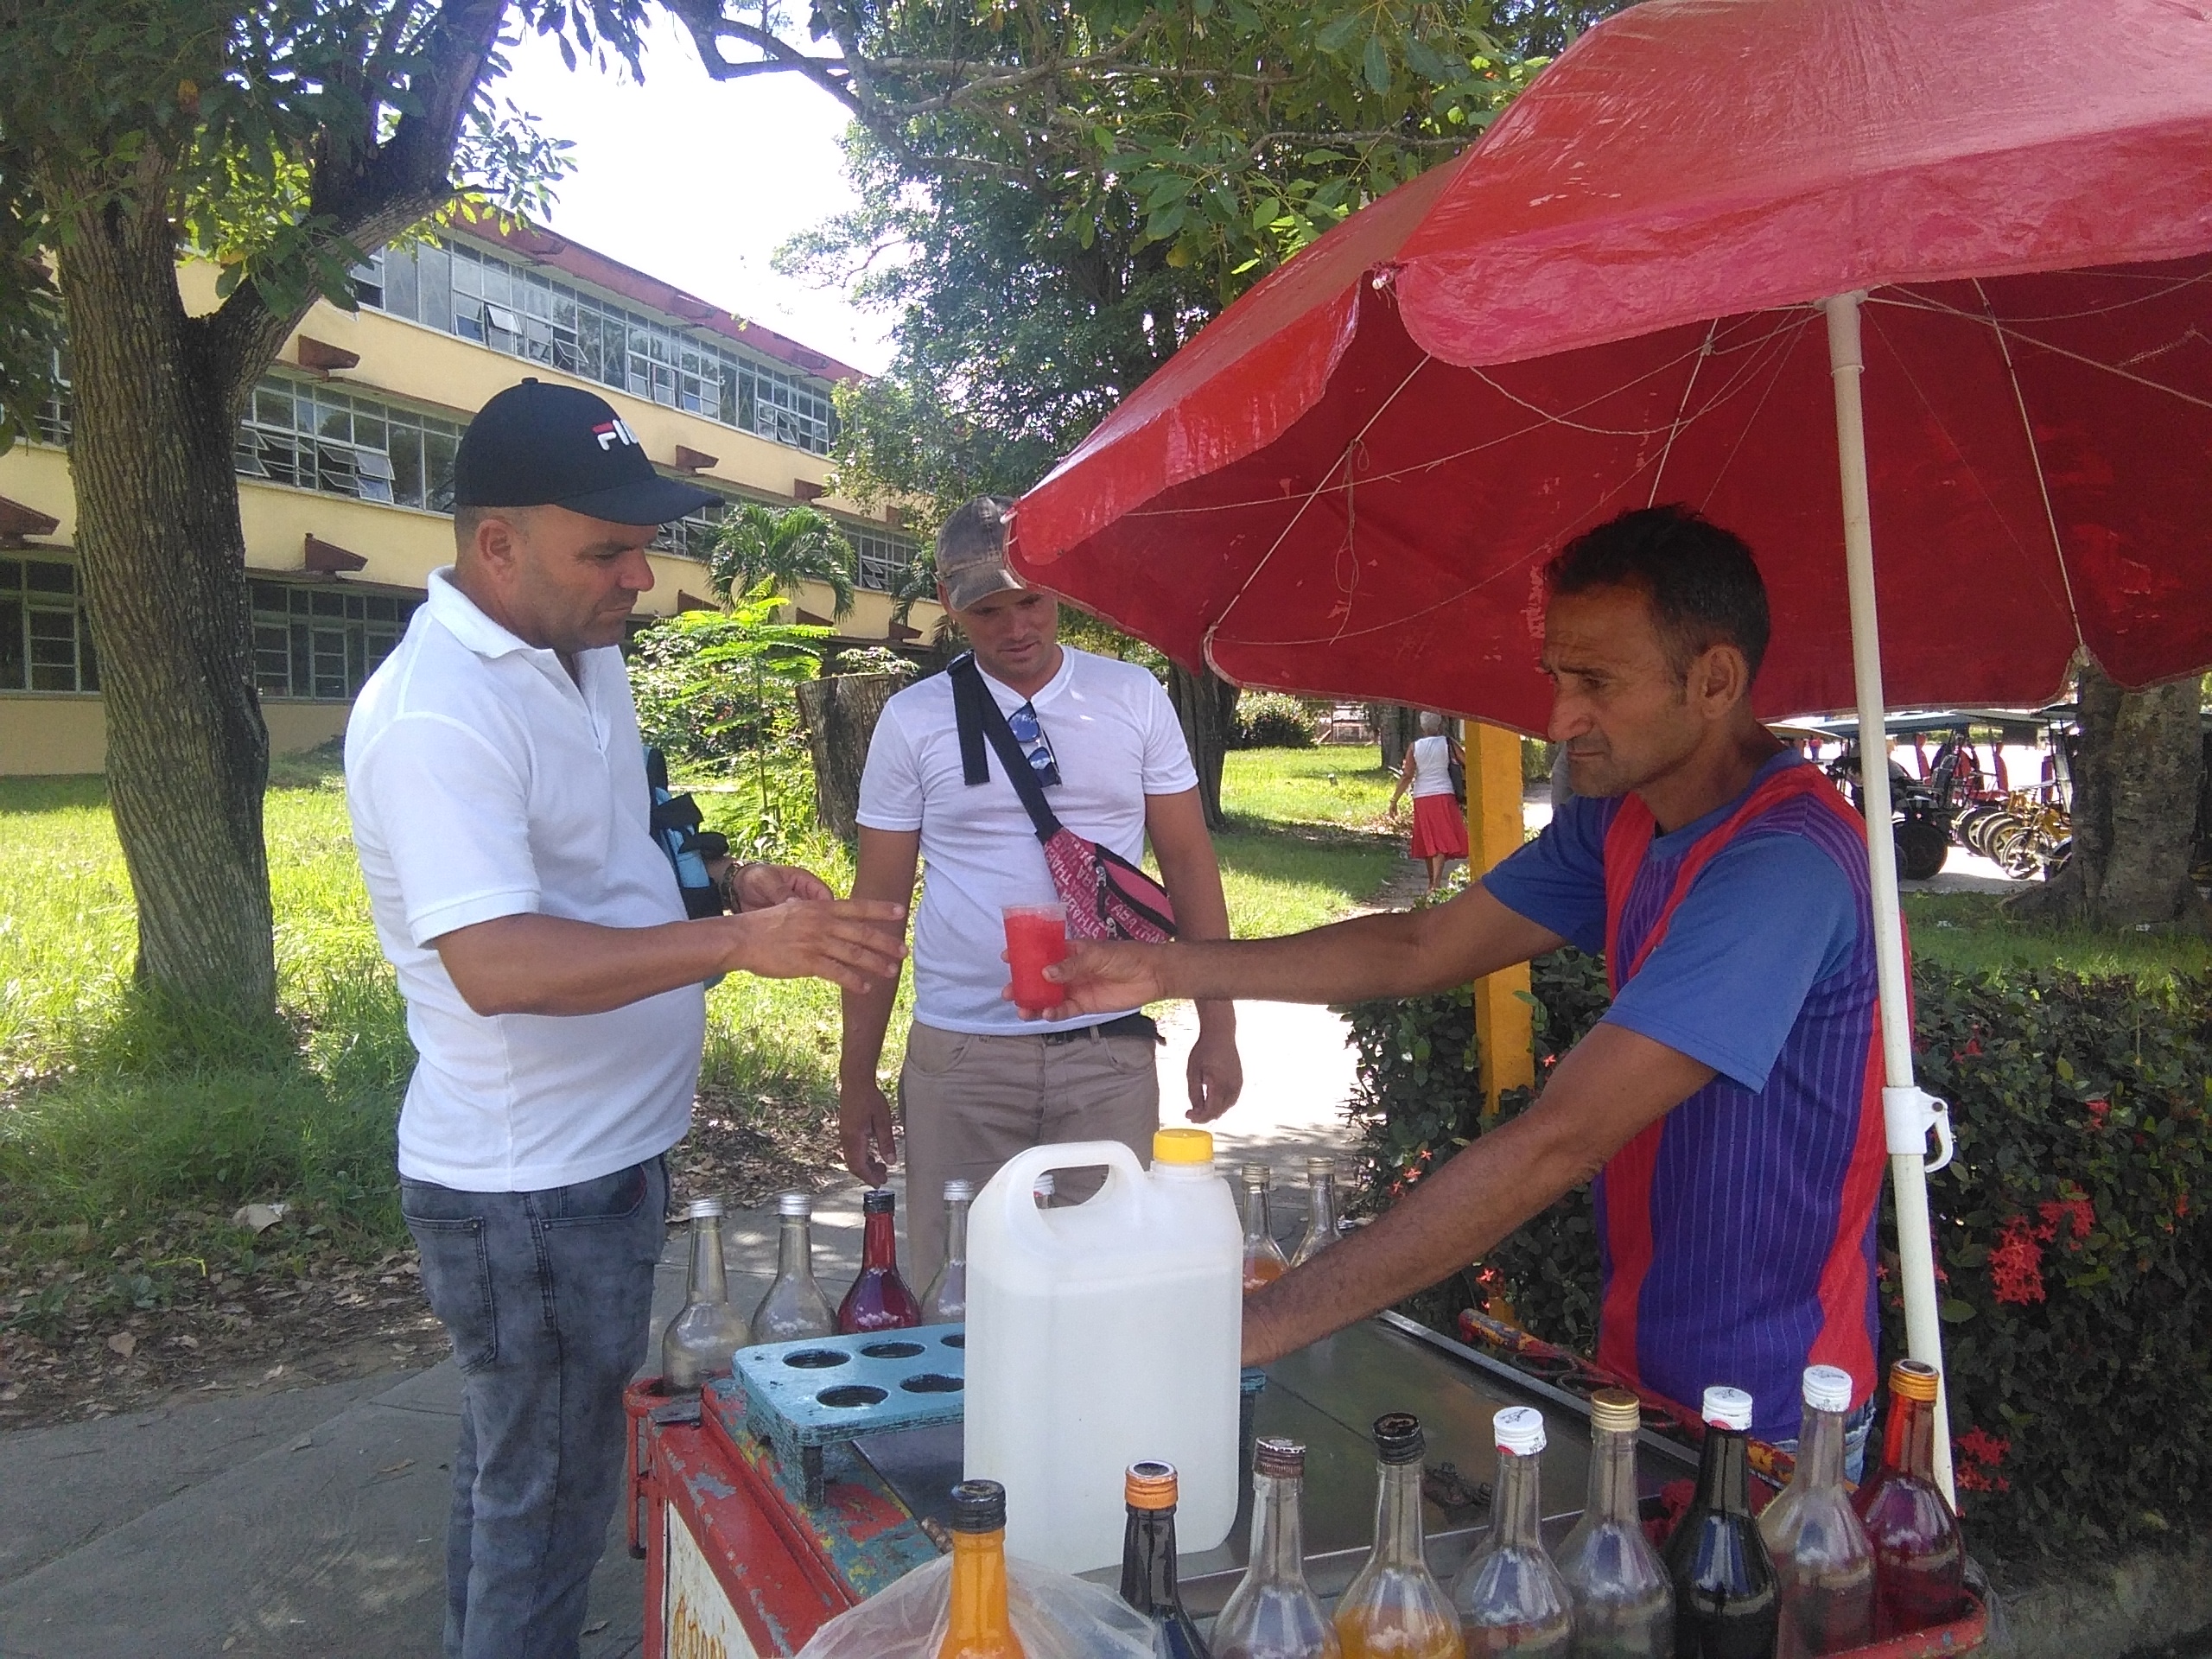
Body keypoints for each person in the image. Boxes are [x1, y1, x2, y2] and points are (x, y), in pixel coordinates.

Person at [1038, 505, 1888, 1457]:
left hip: (1775, 1411)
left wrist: (1255, 1330)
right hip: (1643, 1378)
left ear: (1714, 680)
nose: (1560, 720)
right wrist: (1165, 966)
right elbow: (1421, 948)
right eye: (1557, 677)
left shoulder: (1782, 865)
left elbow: (1554, 1142)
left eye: (1596, 683)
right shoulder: (1624, 819)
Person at [345, 378, 907, 1658]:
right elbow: (495, 959)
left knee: (522, 1485)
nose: (638, 579)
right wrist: (739, 943)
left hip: (598, 1157)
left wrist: (724, 885)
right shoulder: (440, 711)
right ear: (497, 545)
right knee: (547, 1508)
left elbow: (598, 871)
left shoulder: (573, 650)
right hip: (528, 1185)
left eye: (642, 547)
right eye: (608, 551)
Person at [839, 496, 1243, 1287]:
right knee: (959, 1289)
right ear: (952, 608)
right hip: (961, 1053)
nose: (1016, 627)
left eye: (1032, 600)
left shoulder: (1131, 698)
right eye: (989, 610)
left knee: (1108, 1280)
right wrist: (857, 1079)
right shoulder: (913, 720)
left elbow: (1190, 865)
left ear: (1060, 589)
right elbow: (877, 909)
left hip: (1107, 1044)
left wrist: (1217, 1027)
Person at [1387, 710, 1468, 893]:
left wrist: (1394, 800)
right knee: (1440, 838)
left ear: (1422, 727)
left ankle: (1432, 882)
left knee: (1428, 838)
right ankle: (1436, 884)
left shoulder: (1414, 747)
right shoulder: (1448, 743)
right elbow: (1467, 761)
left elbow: (1408, 775)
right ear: (1439, 725)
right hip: (1444, 794)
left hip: (1422, 796)